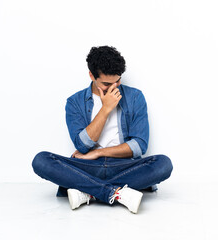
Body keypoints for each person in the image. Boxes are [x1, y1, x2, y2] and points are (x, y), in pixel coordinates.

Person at [32, 45, 173, 214]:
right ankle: (115, 192)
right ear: (92, 75)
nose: (114, 87)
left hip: (124, 166)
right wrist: (105, 109)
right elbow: (82, 145)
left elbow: (139, 146)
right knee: (41, 160)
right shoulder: (75, 102)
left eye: (118, 81)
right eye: (107, 83)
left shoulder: (135, 97)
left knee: (163, 164)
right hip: (87, 166)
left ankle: (88, 191)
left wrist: (99, 152)